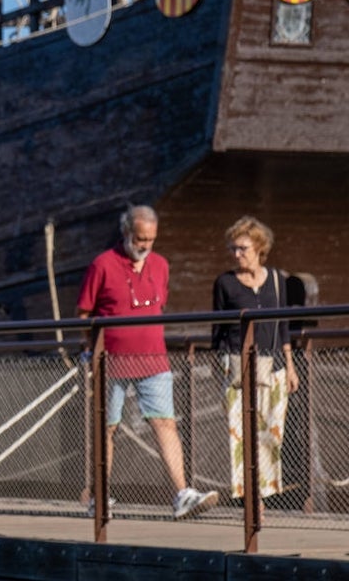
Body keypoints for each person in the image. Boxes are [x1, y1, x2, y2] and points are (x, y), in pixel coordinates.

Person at [76, 205, 218, 520]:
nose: (145, 245)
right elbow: (84, 313)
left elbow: (160, 304)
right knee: (107, 427)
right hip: (110, 359)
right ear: (126, 233)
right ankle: (98, 496)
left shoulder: (161, 265)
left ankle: (182, 493)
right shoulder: (103, 264)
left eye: (151, 239)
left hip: (153, 358)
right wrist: (89, 351)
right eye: (140, 238)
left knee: (165, 422)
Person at [212, 216, 299, 507]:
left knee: (272, 433)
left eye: (243, 249)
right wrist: (220, 364)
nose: (237, 255)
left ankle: (265, 491)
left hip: (273, 366)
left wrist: (289, 364)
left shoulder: (276, 279)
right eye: (233, 249)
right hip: (238, 367)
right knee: (241, 435)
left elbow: (283, 323)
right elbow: (218, 330)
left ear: (260, 248)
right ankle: (252, 499)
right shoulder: (225, 283)